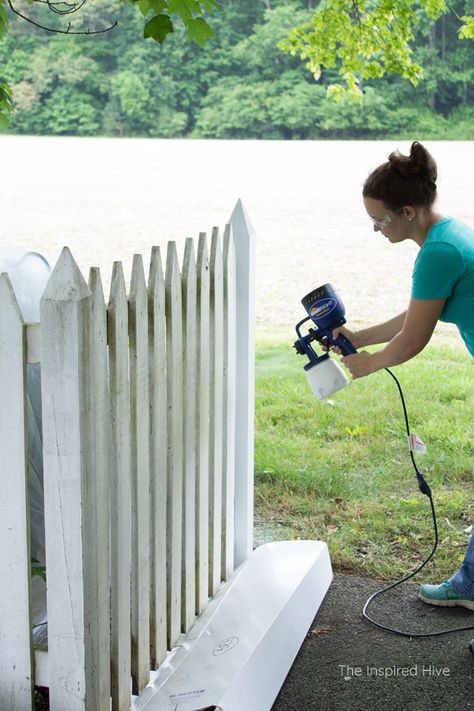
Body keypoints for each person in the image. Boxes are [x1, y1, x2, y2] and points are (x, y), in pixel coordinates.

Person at [331, 142, 474, 631]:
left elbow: (414, 339)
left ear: (407, 211)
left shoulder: (437, 252)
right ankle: (472, 583)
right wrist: (360, 337)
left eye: (380, 220)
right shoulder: (446, 234)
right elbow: (418, 311)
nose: (376, 229)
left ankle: (471, 586)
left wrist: (367, 365)